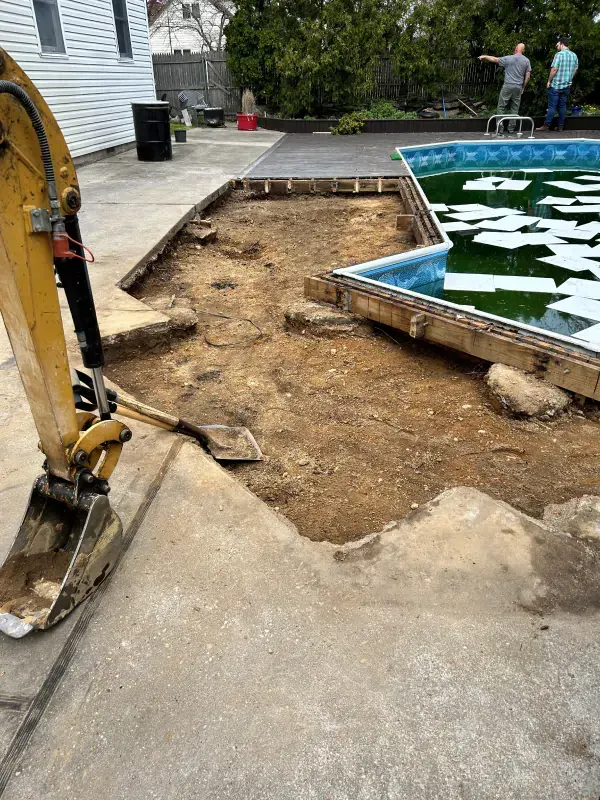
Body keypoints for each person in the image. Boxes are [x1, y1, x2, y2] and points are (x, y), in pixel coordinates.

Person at [479, 44, 531, 135]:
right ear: (523, 50)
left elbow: (495, 59)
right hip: (518, 87)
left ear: (516, 49)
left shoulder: (509, 58)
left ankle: (500, 128)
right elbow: (528, 77)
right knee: (515, 108)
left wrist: (485, 56)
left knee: (501, 106)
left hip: (508, 86)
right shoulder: (526, 60)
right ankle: (511, 128)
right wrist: (523, 87)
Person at [536, 38, 578, 132]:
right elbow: (576, 68)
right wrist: (570, 79)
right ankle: (560, 126)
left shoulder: (559, 55)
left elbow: (554, 69)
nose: (556, 46)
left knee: (552, 106)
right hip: (567, 85)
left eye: (557, 45)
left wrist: (549, 81)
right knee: (562, 106)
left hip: (556, 85)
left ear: (562, 44)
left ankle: (546, 125)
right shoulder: (574, 55)